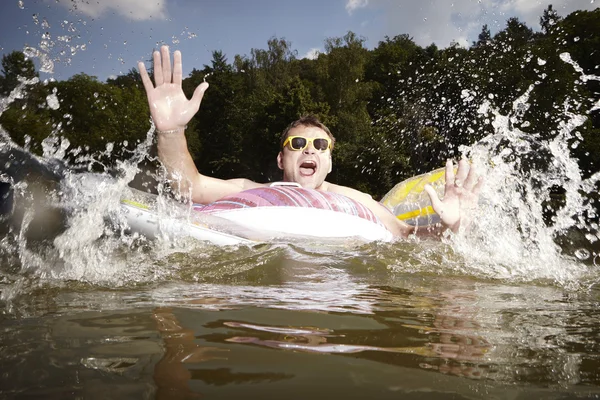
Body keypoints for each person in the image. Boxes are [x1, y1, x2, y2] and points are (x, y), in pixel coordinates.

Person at [138, 46, 483, 238]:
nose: (309, 150)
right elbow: (190, 188)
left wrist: (450, 225)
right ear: (280, 159)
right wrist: (170, 132)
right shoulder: (249, 188)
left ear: (330, 162)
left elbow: (406, 237)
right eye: (298, 143)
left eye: (320, 146)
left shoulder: (355, 200)